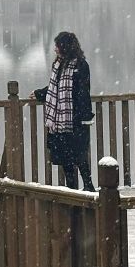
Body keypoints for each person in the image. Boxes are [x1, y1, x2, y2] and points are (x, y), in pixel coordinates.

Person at [33, 31, 96, 191]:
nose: (55, 49)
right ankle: (72, 190)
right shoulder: (58, 65)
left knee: (80, 157)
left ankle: (89, 187)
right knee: (67, 159)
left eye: (58, 46)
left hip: (75, 120)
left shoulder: (80, 65)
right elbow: (56, 88)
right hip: (60, 122)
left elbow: (82, 92)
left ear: (65, 47)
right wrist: (39, 93)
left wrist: (82, 117)